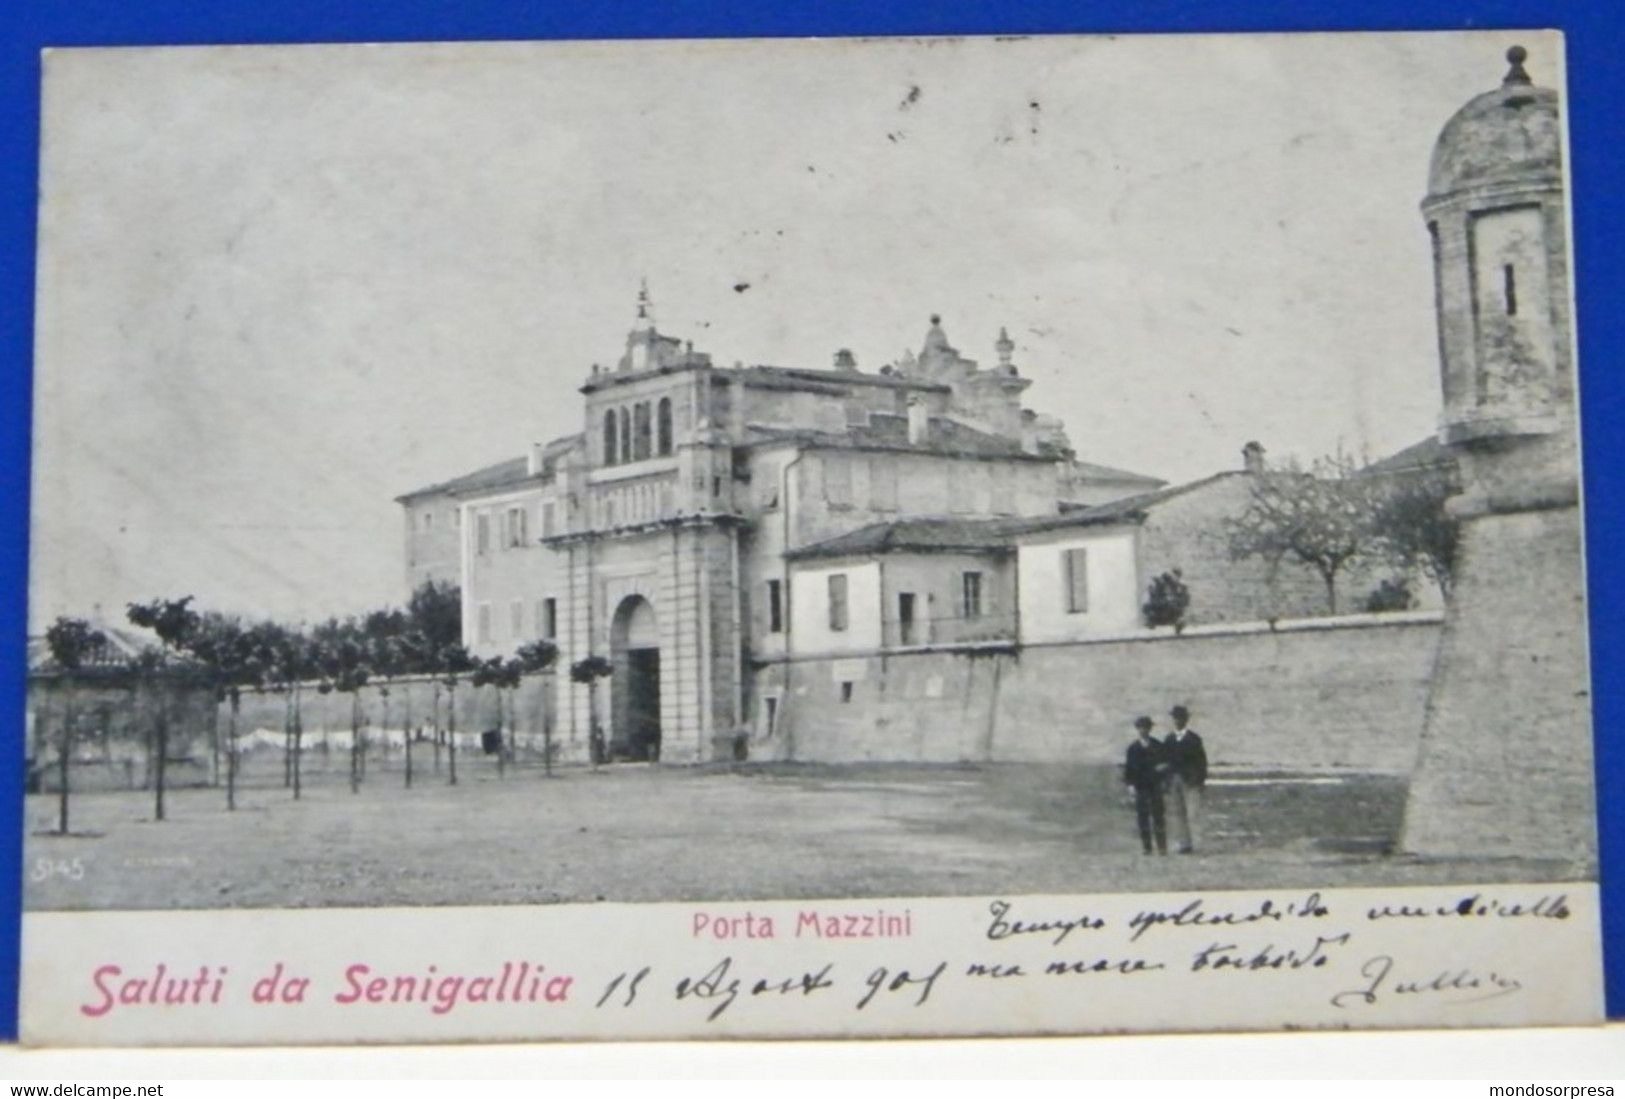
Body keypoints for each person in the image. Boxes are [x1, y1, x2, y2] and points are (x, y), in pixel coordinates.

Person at [1164, 704, 1208, 854]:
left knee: (1193, 813)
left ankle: (1198, 844)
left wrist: (1200, 781)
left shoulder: (1194, 739)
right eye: (1175, 718)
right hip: (1174, 780)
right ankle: (1185, 844)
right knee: (1177, 813)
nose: (1177, 720)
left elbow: (1201, 763)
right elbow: (1165, 760)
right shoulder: (1169, 739)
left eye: (1180, 717)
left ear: (1186, 719)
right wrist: (1167, 780)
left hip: (1190, 780)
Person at [1122, 716, 1168, 856]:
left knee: (1158, 816)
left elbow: (1165, 764)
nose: (1144, 730)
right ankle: (1147, 847)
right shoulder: (1132, 748)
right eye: (1141, 727)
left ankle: (1161, 847)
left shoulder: (1158, 746)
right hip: (1140, 787)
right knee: (1142, 817)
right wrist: (1130, 786)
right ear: (1137, 729)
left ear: (1150, 729)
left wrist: (1163, 773)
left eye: (1146, 727)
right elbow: (1129, 769)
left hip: (1155, 786)